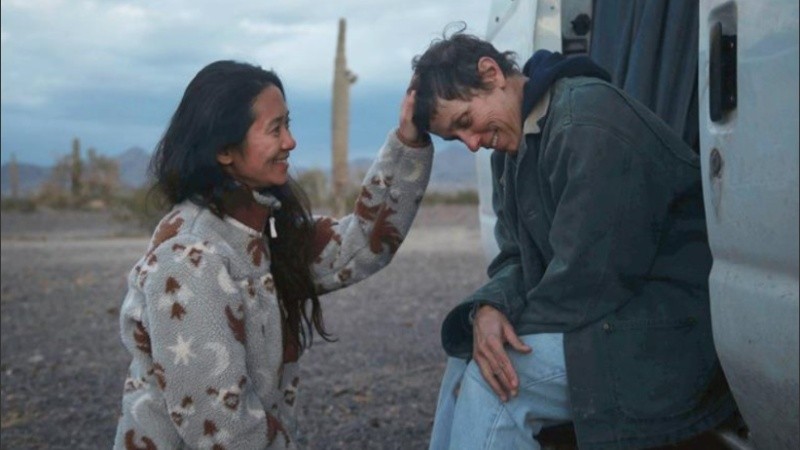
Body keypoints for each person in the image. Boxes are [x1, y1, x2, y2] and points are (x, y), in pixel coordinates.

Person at [412, 32, 737, 449]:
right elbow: (515, 257)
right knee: (467, 357)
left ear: (491, 74)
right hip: (612, 317)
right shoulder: (511, 152)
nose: (471, 143)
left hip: (672, 331)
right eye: (456, 139)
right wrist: (489, 310)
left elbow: (592, 277)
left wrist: (499, 330)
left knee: (495, 378)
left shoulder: (586, 119)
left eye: (464, 122)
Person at [113, 60, 432, 449]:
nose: (290, 142)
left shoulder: (263, 229)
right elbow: (225, 433)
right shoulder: (188, 259)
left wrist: (408, 141)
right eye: (275, 129)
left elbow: (361, 244)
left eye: (288, 124)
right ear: (225, 150)